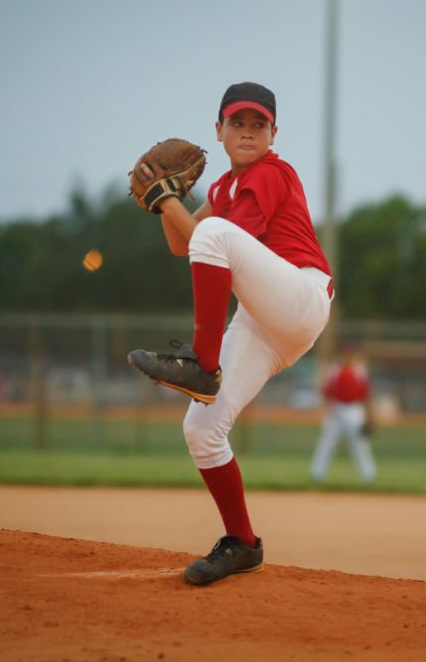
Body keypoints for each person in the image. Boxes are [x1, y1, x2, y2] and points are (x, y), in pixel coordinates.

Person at [127, 82, 332, 586]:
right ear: (217, 130)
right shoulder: (221, 189)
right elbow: (183, 245)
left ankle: (202, 363)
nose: (247, 132)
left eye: (257, 124)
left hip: (301, 297)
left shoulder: (272, 173)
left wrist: (166, 199)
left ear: (273, 133)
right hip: (264, 321)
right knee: (201, 429)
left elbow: (210, 239)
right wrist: (166, 205)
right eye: (237, 123)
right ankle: (242, 543)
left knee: (217, 234)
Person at [310, 345, 377, 483]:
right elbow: (327, 391)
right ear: (342, 356)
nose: (348, 358)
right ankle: (317, 474)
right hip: (337, 408)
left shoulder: (360, 371)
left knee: (360, 443)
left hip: (354, 409)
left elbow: (365, 395)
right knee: (327, 441)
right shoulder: (334, 371)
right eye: (346, 355)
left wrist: (369, 415)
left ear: (354, 357)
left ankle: (368, 475)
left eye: (350, 355)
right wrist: (328, 407)